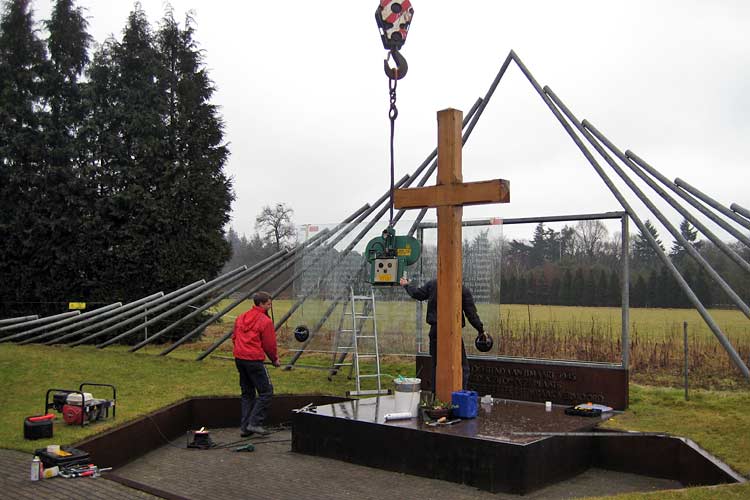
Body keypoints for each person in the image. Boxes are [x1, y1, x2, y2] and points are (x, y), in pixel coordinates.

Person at [400, 277, 485, 391]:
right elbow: (471, 315)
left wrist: (406, 285)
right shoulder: (462, 290)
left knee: (437, 366)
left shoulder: (433, 284)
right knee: (463, 367)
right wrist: (481, 330)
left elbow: (417, 294)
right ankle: (460, 396)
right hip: (453, 332)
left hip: (435, 331)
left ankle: (436, 397)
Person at [232, 291, 280, 437]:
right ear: (261, 304)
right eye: (268, 304)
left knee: (247, 394)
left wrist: (241, 350)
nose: (270, 306)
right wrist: (274, 359)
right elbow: (269, 344)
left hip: (239, 359)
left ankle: (245, 428)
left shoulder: (241, 317)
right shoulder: (266, 322)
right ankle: (255, 423)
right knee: (266, 392)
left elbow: (234, 338)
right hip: (254, 360)